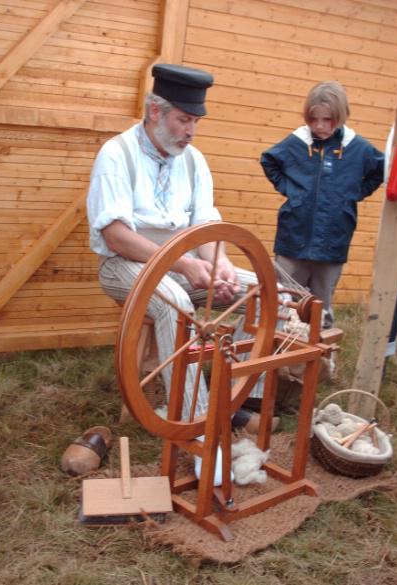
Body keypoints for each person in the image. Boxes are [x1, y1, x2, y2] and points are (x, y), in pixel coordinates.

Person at [86, 63, 268, 447]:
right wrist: (184, 263)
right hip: (124, 266)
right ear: (155, 111)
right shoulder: (116, 154)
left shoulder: (194, 160)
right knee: (176, 303)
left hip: (183, 265)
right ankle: (199, 431)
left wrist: (220, 266)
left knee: (264, 291)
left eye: (196, 121)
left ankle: (234, 397)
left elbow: (204, 222)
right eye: (184, 119)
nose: (191, 131)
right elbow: (116, 235)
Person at [260, 81, 384, 328]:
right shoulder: (297, 142)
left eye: (327, 119)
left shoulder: (357, 148)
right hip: (293, 240)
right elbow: (269, 161)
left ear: (340, 116)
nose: (319, 126)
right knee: (283, 303)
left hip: (332, 242)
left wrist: (354, 194)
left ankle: (316, 362)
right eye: (313, 119)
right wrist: (291, 190)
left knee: (320, 307)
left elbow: (380, 169)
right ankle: (275, 360)